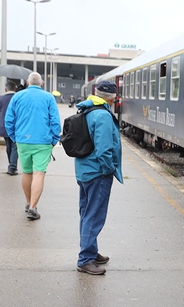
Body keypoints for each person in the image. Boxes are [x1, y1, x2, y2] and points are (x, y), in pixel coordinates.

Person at [74, 80, 123, 275]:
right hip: (97, 173)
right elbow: (104, 149)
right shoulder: (102, 115)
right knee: (94, 216)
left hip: (85, 170)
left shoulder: (87, 109)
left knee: (87, 213)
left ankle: (91, 252)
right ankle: (85, 259)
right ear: (112, 98)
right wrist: (108, 169)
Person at [4, 72, 61, 220]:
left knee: (27, 173)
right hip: (42, 141)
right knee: (39, 173)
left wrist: (15, 137)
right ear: (41, 83)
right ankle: (33, 207)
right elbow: (55, 121)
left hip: (23, 140)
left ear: (28, 83)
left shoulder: (17, 96)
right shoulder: (48, 97)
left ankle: (28, 202)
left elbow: (9, 120)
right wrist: (54, 139)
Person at [0, 80, 19, 175]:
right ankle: (12, 167)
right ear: (15, 89)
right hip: (16, 126)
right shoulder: (18, 98)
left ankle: (11, 165)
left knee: (8, 146)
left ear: (5, 89)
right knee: (15, 147)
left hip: (4, 127)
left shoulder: (1, 99)